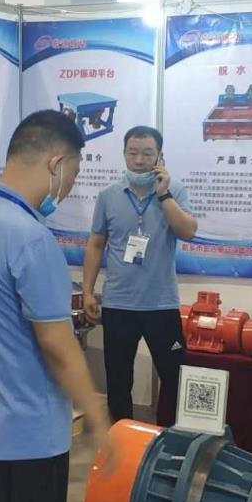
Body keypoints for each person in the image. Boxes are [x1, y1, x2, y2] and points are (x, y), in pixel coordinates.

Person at [0, 109, 111, 502]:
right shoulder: (31, 238)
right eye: (74, 174)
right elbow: (57, 345)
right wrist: (96, 415)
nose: (70, 187)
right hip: (27, 441)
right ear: (57, 163)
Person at [82, 126, 197, 426]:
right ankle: (123, 442)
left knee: (176, 377)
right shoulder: (109, 195)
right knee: (118, 382)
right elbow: (96, 244)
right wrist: (88, 291)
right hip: (119, 304)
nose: (139, 160)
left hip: (161, 304)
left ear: (160, 156)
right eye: (133, 153)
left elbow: (188, 231)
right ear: (124, 154)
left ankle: (178, 442)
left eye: (147, 153)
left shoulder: (175, 191)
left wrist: (164, 195)